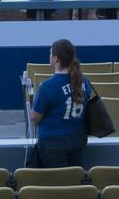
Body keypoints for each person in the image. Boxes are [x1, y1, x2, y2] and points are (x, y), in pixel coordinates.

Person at [30, 39, 92, 168]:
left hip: (53, 143)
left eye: (50, 53)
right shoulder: (84, 82)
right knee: (74, 176)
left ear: (55, 59)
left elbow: (34, 118)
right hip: (78, 138)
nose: (49, 56)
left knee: (57, 179)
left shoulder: (47, 86)